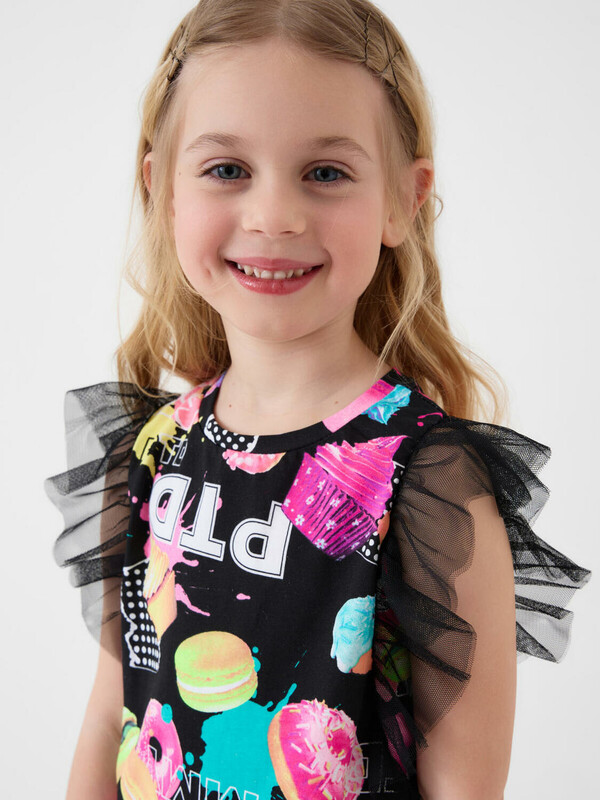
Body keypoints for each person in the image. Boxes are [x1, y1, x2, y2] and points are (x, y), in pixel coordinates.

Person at [45, 1, 591, 798]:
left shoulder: (426, 479)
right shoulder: (153, 450)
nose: (274, 216)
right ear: (162, 189)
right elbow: (111, 719)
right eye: (227, 169)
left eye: (325, 173)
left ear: (403, 199)